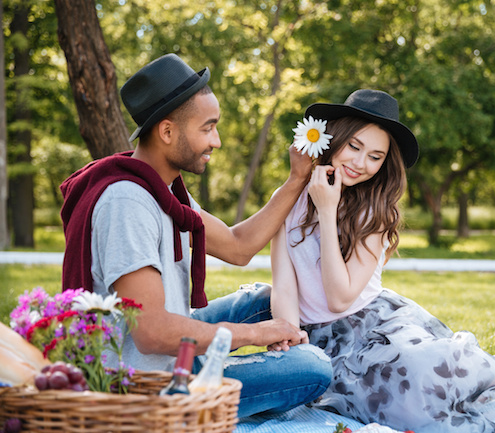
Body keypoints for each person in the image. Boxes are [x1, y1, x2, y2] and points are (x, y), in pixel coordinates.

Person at [270, 89, 495, 432]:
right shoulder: (288, 200)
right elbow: (283, 281)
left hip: (374, 327)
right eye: (354, 146)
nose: (359, 163)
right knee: (399, 412)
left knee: (425, 375)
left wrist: (327, 210)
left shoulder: (376, 213)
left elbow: (340, 297)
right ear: (333, 139)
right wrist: (288, 333)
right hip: (321, 338)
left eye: (375, 156)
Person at [59, 54, 331, 417]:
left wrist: (296, 179)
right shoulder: (128, 201)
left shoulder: (166, 191)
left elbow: (238, 247)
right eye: (207, 128)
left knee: (266, 300)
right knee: (314, 368)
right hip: (151, 382)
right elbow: (152, 332)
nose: (216, 141)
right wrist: (253, 335)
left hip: (170, 345)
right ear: (168, 131)